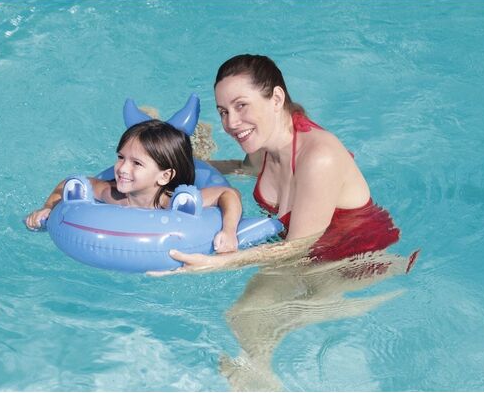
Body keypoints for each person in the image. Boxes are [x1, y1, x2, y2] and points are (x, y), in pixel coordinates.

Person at [158, 54, 411, 274]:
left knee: (249, 313)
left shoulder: (320, 158)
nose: (231, 123)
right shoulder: (262, 143)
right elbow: (243, 170)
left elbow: (296, 248)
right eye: (223, 112)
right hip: (306, 259)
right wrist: (182, 163)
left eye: (241, 106)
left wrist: (216, 263)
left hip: (357, 266)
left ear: (277, 99)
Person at [25, 119, 242, 254]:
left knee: (199, 156)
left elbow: (228, 193)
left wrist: (229, 231)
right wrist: (48, 207)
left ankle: (201, 133)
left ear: (164, 176)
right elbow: (69, 184)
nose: (122, 168)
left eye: (136, 163)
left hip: (185, 174)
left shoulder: (170, 202)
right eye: (121, 157)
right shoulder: (113, 194)